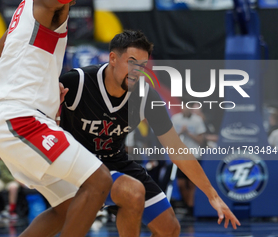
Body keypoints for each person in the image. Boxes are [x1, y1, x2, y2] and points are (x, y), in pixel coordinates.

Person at [58, 30, 241, 236]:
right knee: (128, 194)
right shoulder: (76, 82)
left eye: (142, 66)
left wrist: (212, 195)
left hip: (114, 161)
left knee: (169, 228)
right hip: (77, 163)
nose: (137, 71)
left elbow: (177, 149)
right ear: (113, 59)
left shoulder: (145, 96)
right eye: (132, 62)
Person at [0, 0, 113, 236]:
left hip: (16, 118)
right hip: (20, 119)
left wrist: (46, 85)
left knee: (67, 207)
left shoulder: (24, 12)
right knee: (99, 180)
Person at [172, 100, 206, 217]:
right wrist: (181, 132)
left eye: (187, 106)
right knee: (181, 183)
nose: (184, 108)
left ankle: (190, 209)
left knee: (192, 183)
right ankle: (187, 205)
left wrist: (189, 133)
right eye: (182, 106)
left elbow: (201, 140)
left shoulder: (197, 120)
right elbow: (170, 138)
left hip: (194, 155)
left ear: (190, 108)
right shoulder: (175, 119)